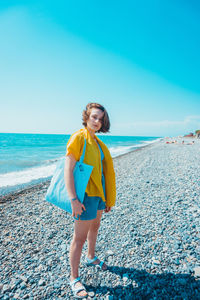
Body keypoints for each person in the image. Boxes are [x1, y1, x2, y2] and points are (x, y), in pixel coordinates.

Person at [64, 103, 116, 298]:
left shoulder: (98, 143)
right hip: (84, 196)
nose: (97, 121)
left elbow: (103, 172)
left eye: (101, 119)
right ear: (86, 117)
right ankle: (74, 278)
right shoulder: (79, 138)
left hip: (99, 195)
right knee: (79, 238)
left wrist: (108, 198)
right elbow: (68, 170)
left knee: (95, 228)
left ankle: (91, 257)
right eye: (94, 117)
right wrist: (73, 199)